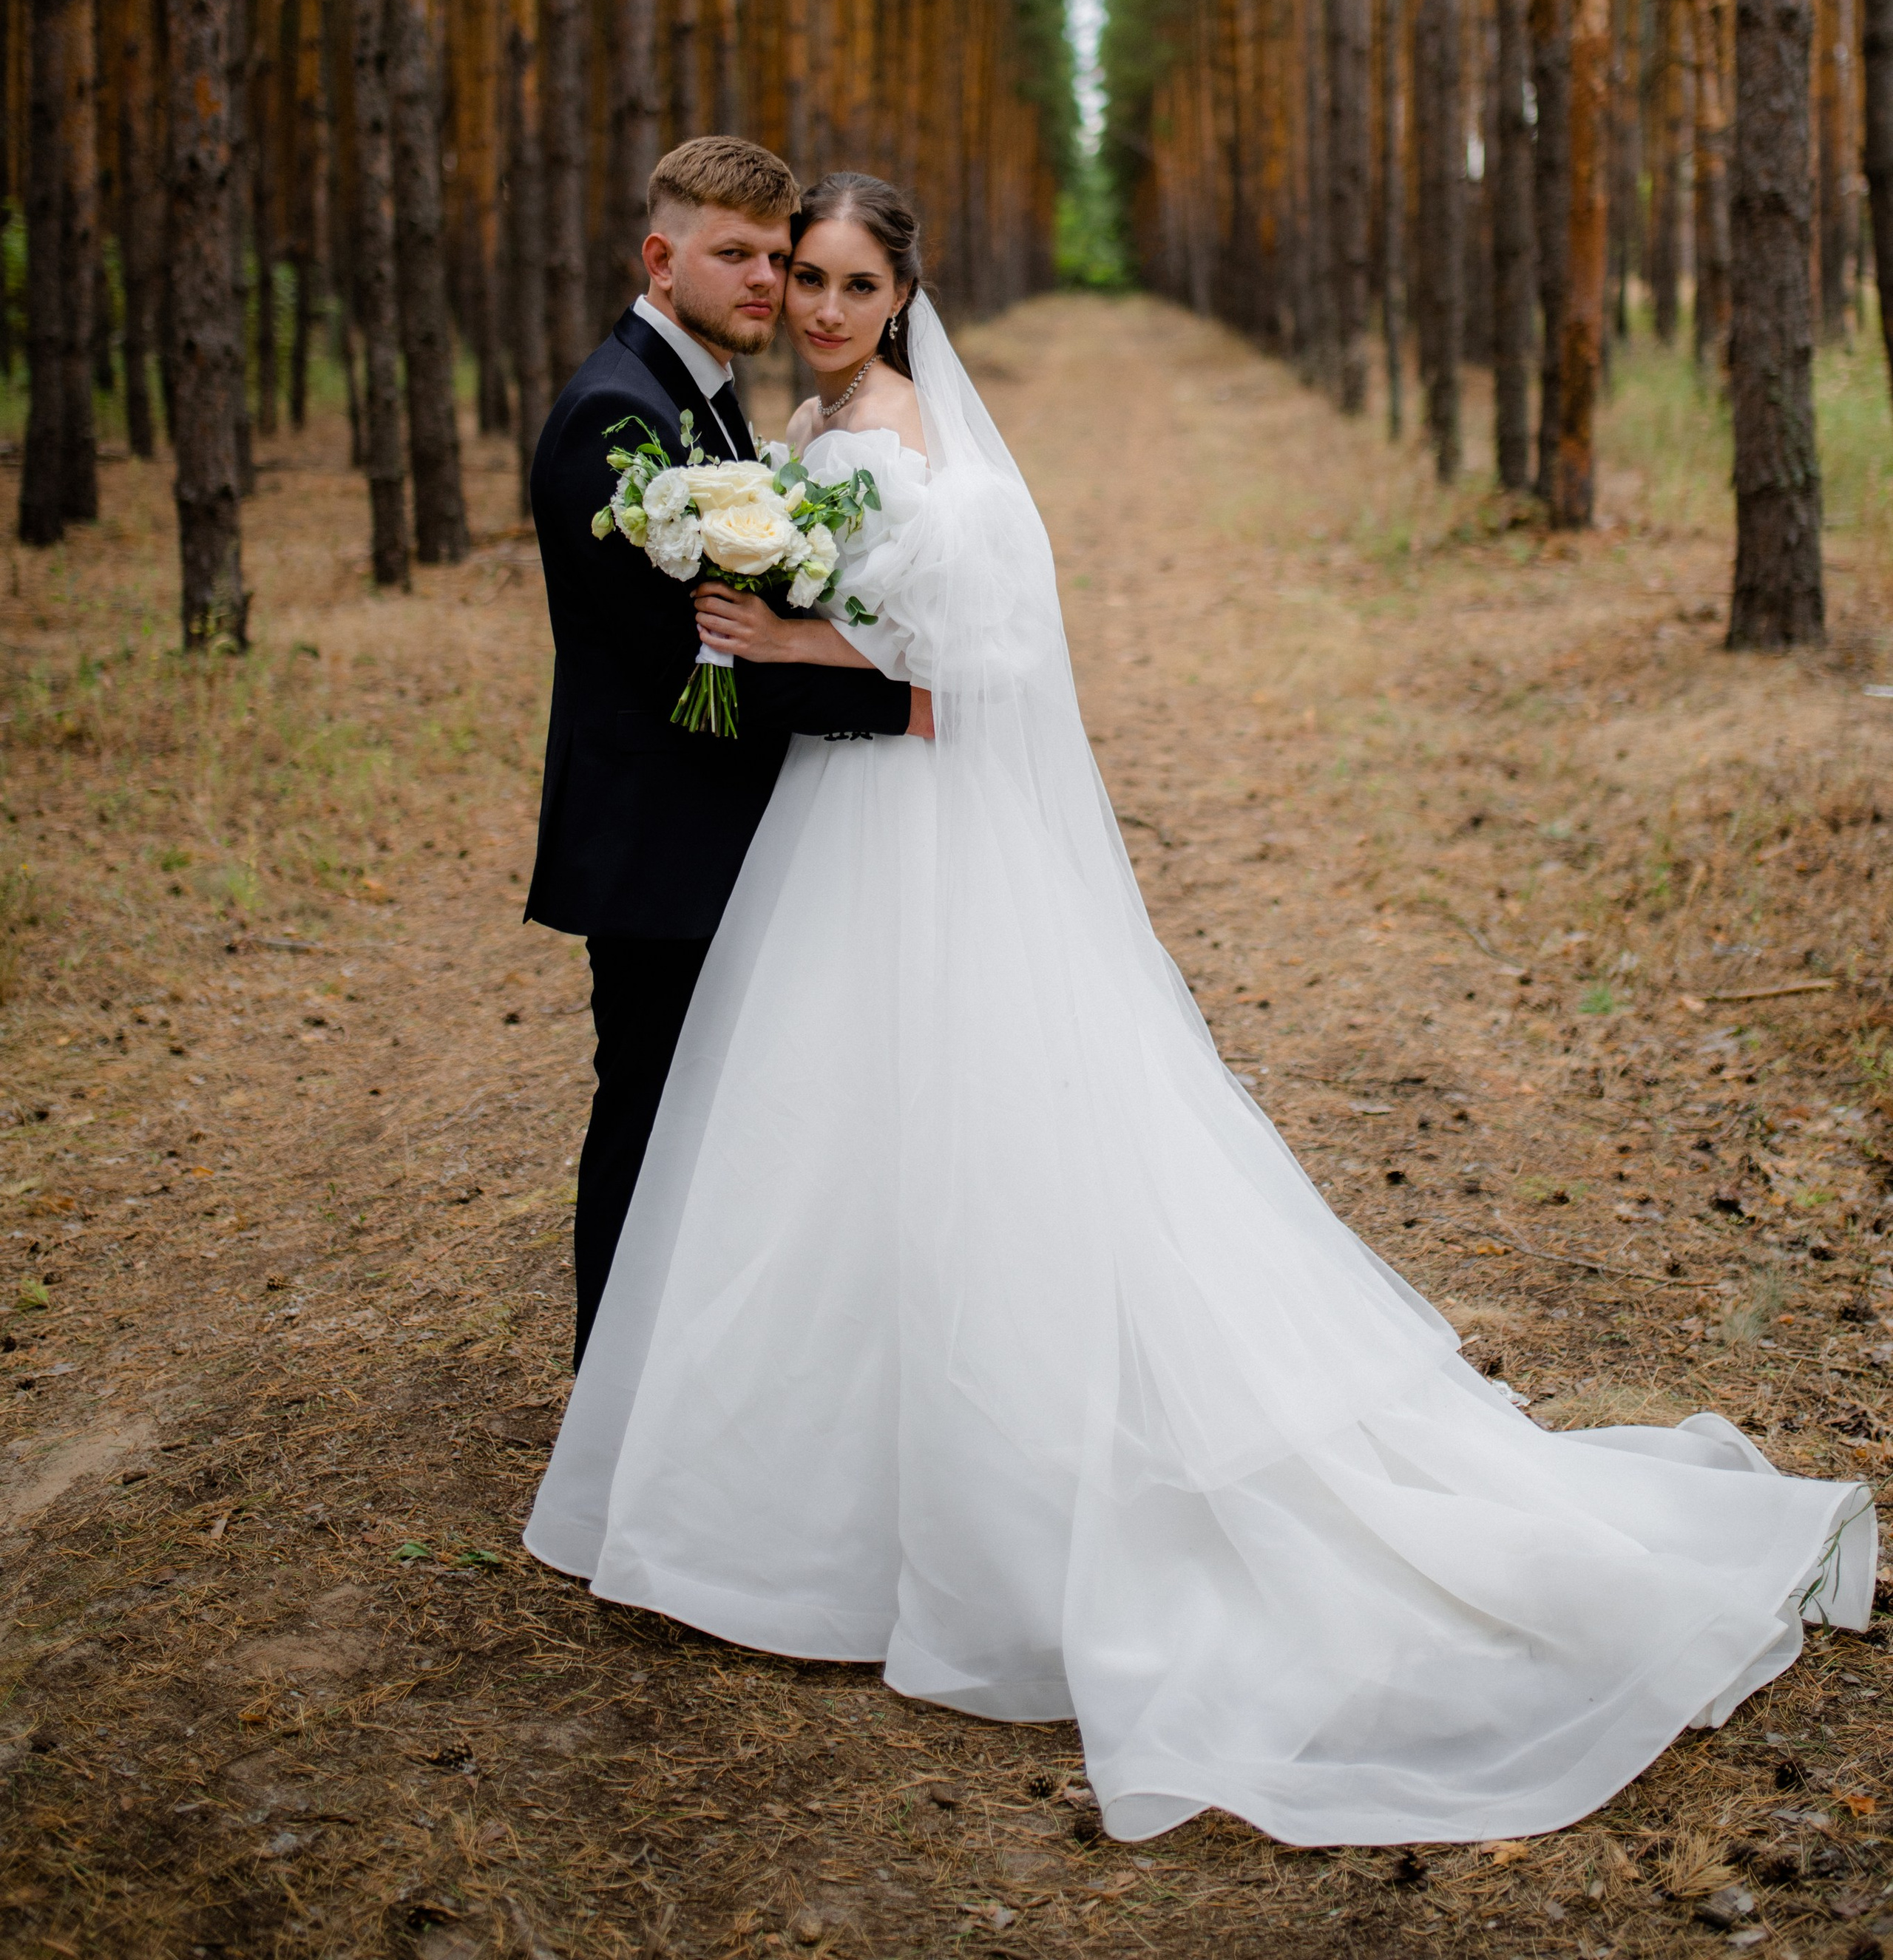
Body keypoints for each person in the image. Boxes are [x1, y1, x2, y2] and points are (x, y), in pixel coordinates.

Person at [526, 168, 1875, 1851]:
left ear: (900, 296)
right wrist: (776, 625)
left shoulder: (915, 446)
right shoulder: (795, 428)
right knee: (821, 1146)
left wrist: (792, 646)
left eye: (850, 284)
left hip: (910, 841)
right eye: (801, 274)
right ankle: (809, 1490)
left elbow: (976, 668)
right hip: (821, 838)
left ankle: (965, 1506)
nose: (816, 305)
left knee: (955, 1134)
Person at [524, 137, 927, 1369]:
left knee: (707, 1122)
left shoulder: (701, 394)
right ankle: (616, 1396)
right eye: (738, 257)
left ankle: (686, 1390)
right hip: (661, 848)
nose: (769, 284)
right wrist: (897, 711)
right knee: (647, 1116)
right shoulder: (616, 413)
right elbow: (688, 669)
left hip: (717, 831)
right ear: (663, 256)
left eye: (780, 258)